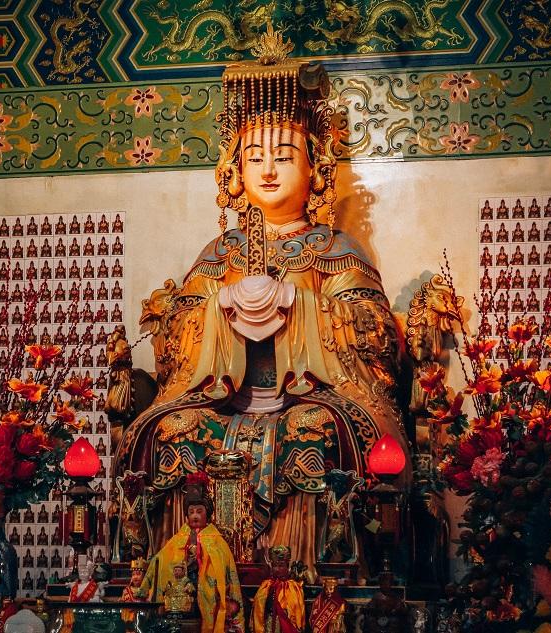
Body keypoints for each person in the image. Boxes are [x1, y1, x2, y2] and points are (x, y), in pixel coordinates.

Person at [114, 28, 409, 572]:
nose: (268, 170)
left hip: (307, 396)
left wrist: (301, 307)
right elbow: (175, 345)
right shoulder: (221, 252)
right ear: (235, 169)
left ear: (316, 168)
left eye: (285, 156)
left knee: (316, 432)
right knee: (167, 432)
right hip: (224, 399)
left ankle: (318, 570)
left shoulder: (334, 249)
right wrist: (216, 309)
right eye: (254, 157)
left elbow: (373, 336)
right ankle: (175, 568)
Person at [137, 476, 244, 633]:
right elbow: (162, 559)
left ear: (207, 514)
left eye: (199, 511)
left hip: (208, 590)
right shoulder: (178, 538)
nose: (195, 515)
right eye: (191, 512)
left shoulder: (216, 540)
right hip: (183, 589)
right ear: (186, 515)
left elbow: (226, 568)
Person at [252, 546, 305, 632]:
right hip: (269, 624)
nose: (277, 569)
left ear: (287, 566)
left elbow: (298, 611)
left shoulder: (294, 587)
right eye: (274, 566)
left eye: (281, 566)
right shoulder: (266, 586)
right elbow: (259, 608)